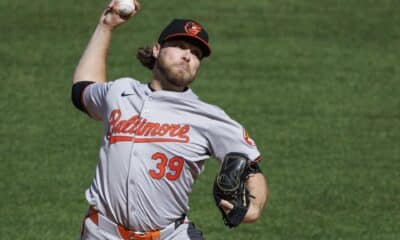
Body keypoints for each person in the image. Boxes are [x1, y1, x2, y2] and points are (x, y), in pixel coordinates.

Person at [71, 0, 268, 239]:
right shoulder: (121, 91)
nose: (187, 56)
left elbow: (250, 167)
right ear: (156, 49)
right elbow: (82, 89)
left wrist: (253, 209)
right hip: (102, 232)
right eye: (180, 46)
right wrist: (105, 26)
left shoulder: (208, 117)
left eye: (196, 54)